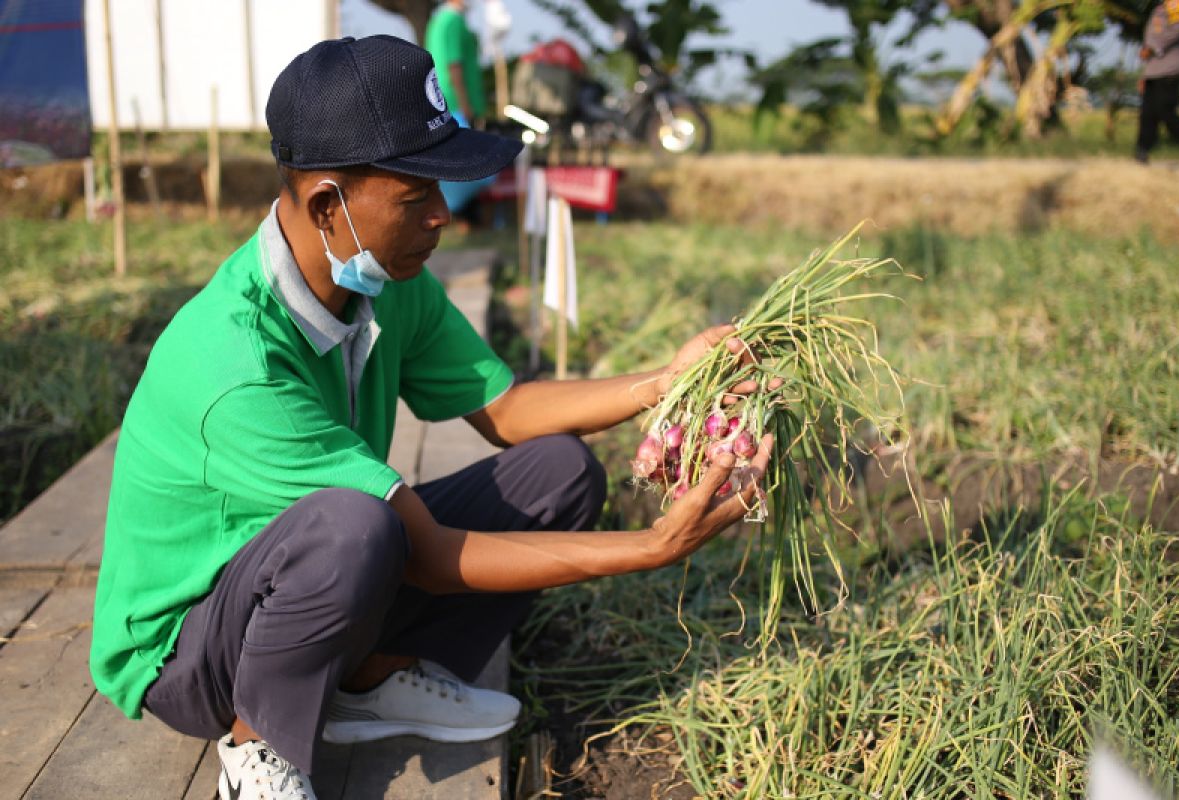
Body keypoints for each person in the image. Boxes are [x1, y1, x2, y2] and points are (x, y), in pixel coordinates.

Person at [88, 35, 772, 800]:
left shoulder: (383, 280)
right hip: (190, 647)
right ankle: (258, 750)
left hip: (303, 578)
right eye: (417, 199)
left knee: (561, 470)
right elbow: (427, 556)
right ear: (327, 205)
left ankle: (365, 680)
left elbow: (506, 410)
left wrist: (666, 380)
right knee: (357, 529)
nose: (442, 218)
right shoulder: (234, 365)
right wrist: (651, 546)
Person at [425, 0, 495, 215]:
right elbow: (454, 65)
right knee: (471, 169)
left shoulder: (440, 20)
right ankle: (459, 214)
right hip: (455, 104)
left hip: (444, 102)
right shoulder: (452, 20)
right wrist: (465, 104)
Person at [1136, 0, 1179, 168]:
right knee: (1147, 114)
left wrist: (1152, 47)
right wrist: (1144, 75)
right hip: (1153, 71)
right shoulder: (1158, 8)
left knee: (1165, 111)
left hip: (1169, 70)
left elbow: (1177, 31)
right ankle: (1141, 152)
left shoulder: (1175, 3)